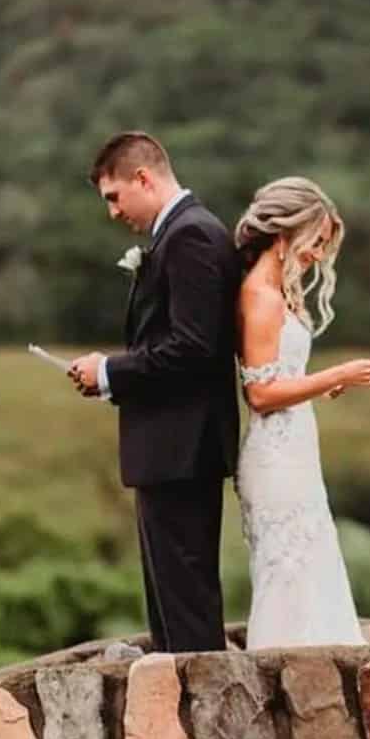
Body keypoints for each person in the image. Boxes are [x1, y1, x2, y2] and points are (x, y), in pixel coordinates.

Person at [69, 131, 240, 654]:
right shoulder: (177, 236)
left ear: (143, 178)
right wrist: (109, 378)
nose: (113, 213)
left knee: (186, 613)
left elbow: (193, 348)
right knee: (168, 609)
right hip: (169, 450)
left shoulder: (190, 236)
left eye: (114, 197)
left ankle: (205, 723)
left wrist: (112, 372)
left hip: (182, 450)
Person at [234, 177, 370, 650]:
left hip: (296, 450)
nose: (318, 254)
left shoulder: (278, 292)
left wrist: (324, 385)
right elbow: (259, 394)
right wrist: (333, 373)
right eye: (315, 242)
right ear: (285, 232)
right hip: (275, 458)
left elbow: (282, 380)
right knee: (288, 570)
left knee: (312, 566)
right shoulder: (260, 295)